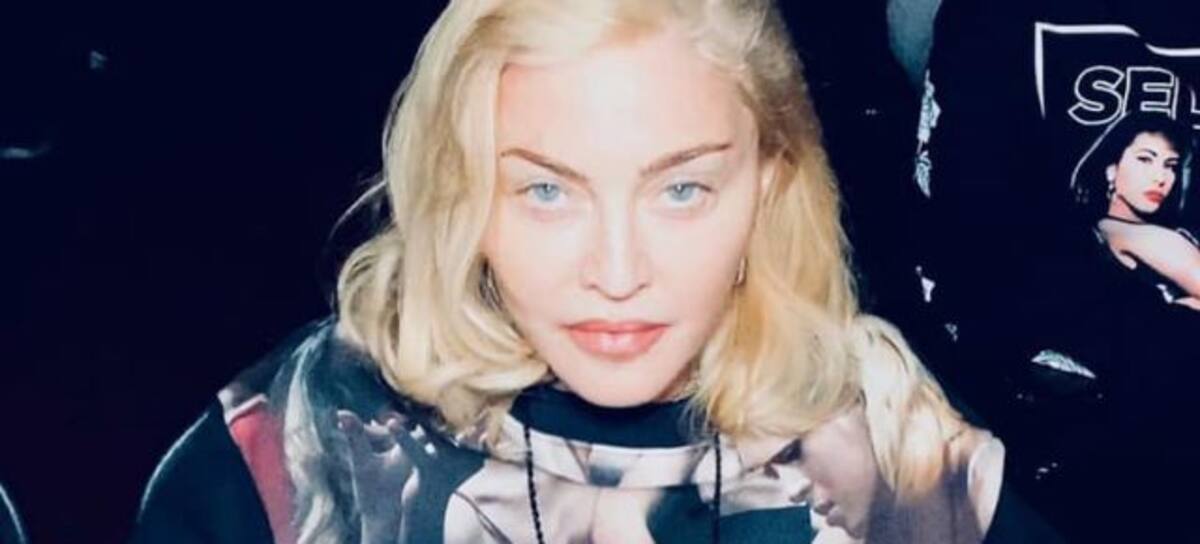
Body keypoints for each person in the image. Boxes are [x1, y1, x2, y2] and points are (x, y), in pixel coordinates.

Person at [130, 1, 1009, 543]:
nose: (618, 273)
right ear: (462, 188)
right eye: (547, 190)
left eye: (682, 189)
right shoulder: (297, 444)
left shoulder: (889, 441)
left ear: (768, 188)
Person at [1071, 111, 1200, 310]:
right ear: (1112, 170)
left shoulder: (1110, 232)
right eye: (1145, 159)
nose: (1160, 178)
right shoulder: (1125, 233)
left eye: (1170, 166)